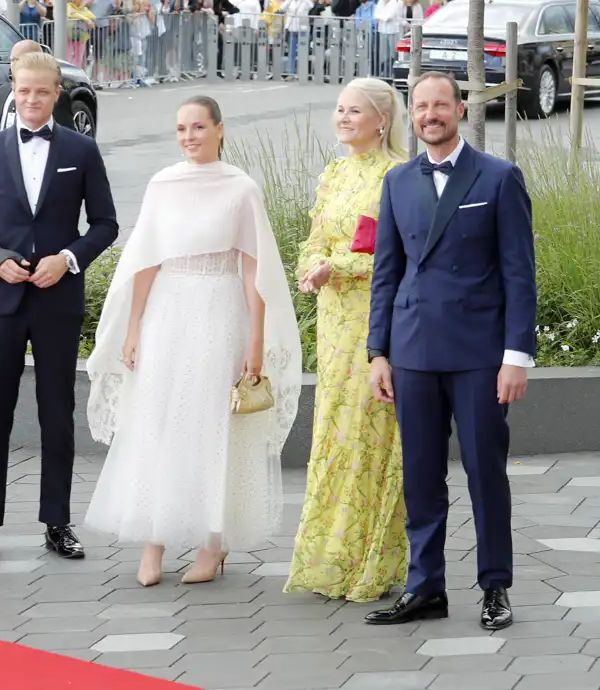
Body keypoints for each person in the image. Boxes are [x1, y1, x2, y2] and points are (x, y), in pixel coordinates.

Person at [83, 96, 302, 587]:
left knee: (210, 424)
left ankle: (212, 543)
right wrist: (134, 325)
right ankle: (154, 540)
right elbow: (145, 260)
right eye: (181, 128)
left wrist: (257, 341)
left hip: (221, 311)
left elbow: (255, 271)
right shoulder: (163, 184)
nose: (189, 136)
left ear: (219, 129)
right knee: (159, 419)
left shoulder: (241, 188)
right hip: (168, 311)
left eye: (198, 127)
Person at [366, 71, 536, 630]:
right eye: (421, 106)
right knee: (420, 476)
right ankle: (426, 588)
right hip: (413, 351)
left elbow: (519, 274)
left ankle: (495, 587)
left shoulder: (499, 177)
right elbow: (385, 275)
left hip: (479, 354)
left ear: (460, 110)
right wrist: (378, 353)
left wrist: (518, 356)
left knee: (486, 472)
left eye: (441, 104)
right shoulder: (397, 181)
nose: (431, 114)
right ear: (411, 116)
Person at [0, 52, 118, 563]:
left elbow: (105, 224)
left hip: (56, 301)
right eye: (23, 91)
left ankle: (57, 521)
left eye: (41, 92)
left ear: (56, 94)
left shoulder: (82, 150)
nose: (31, 100)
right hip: (1, 300)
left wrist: (67, 260)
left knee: (56, 413)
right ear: (13, 91)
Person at [284, 78, 408, 602]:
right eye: (339, 109)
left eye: (354, 111)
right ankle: (329, 557)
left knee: (369, 433)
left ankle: (372, 560)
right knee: (332, 434)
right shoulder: (333, 174)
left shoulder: (397, 176)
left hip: (375, 321)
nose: (342, 118)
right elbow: (310, 244)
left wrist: (338, 265)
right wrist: (312, 266)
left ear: (381, 120)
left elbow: (397, 254)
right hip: (333, 324)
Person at [0, 39, 75, 138]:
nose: (12, 64)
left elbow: (68, 138)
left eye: (17, 60)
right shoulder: (2, 91)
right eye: (11, 60)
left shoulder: (56, 97)